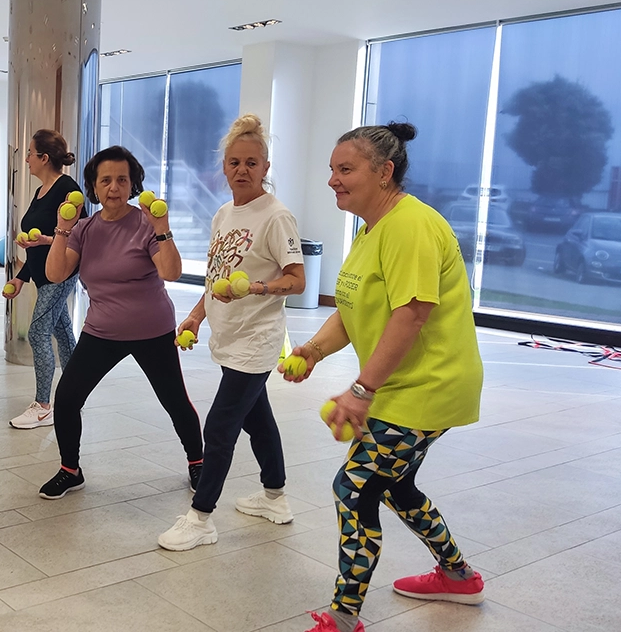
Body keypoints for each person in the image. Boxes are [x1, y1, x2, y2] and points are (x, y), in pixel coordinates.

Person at [292, 123, 485, 632]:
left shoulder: (409, 226)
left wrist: (361, 390)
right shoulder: (371, 228)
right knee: (395, 485)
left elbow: (412, 313)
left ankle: (343, 614)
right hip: (405, 384)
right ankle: (458, 577)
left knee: (353, 487)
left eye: (346, 169)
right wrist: (313, 350)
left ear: (385, 172)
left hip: (428, 385)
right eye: (332, 170)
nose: (333, 180)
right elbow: (354, 307)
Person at [156, 115, 305, 551]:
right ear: (224, 166)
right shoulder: (224, 213)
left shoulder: (277, 217)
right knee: (259, 421)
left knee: (220, 427)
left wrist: (259, 288)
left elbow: (296, 279)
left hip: (257, 339)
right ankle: (274, 497)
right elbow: (219, 277)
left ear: (265, 167)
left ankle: (201, 519)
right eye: (235, 162)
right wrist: (197, 316)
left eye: (252, 162)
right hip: (229, 336)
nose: (242, 170)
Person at [36, 145, 204, 500]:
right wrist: (63, 230)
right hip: (102, 331)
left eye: (122, 180)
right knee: (67, 399)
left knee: (174, 401)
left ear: (133, 185)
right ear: (93, 188)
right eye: (106, 180)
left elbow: (170, 272)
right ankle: (71, 470)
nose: (114, 187)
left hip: (152, 331)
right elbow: (55, 273)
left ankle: (198, 462)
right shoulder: (84, 229)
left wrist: (163, 229)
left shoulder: (146, 224)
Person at [5, 129, 85, 430]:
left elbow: (80, 237)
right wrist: (21, 278)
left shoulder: (69, 189)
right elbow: (36, 245)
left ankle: (42, 406)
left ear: (44, 157)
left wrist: (48, 240)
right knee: (63, 333)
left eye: (29, 153)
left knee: (38, 333)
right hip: (41, 275)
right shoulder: (41, 191)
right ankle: (75, 395)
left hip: (61, 274)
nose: (26, 159)